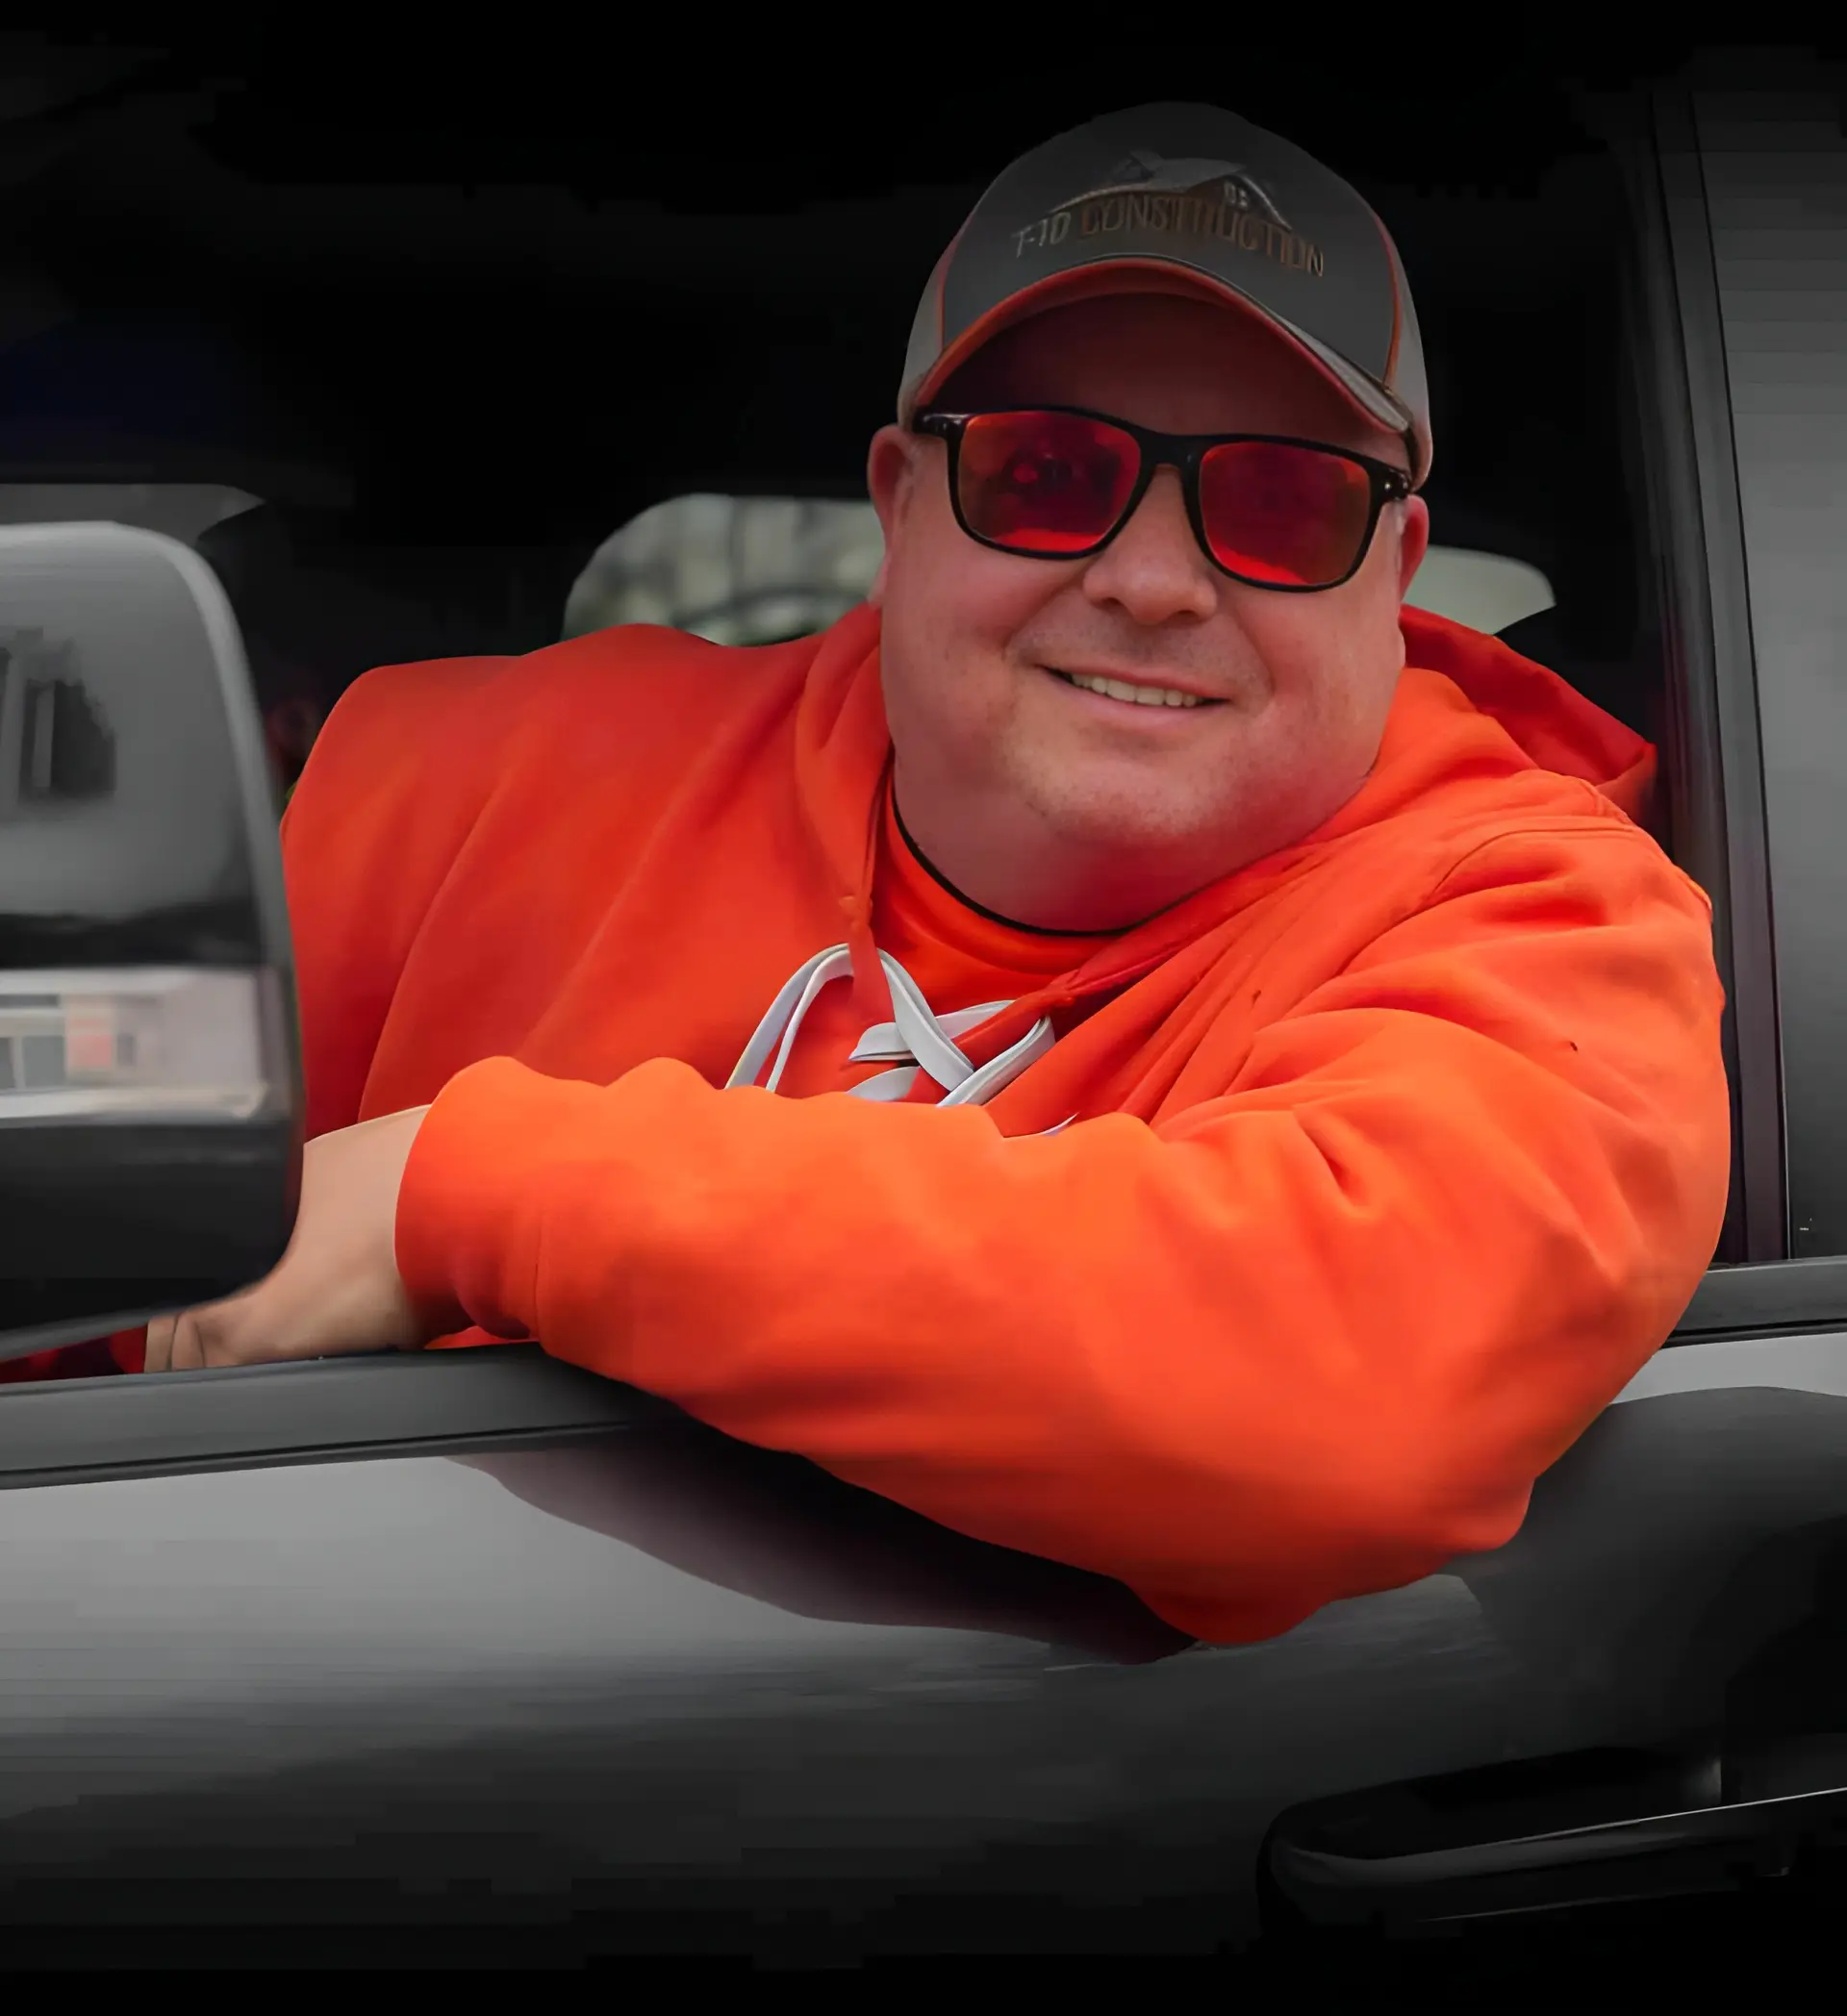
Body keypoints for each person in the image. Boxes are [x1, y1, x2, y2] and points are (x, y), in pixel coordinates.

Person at [139, 103, 1730, 1646]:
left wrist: (468, 1195)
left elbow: (1344, 1379)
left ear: (1391, 569)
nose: (1153, 580)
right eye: (1044, 474)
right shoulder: (451, 782)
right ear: (904, 506)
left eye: (1279, 501)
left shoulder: (1552, 926)